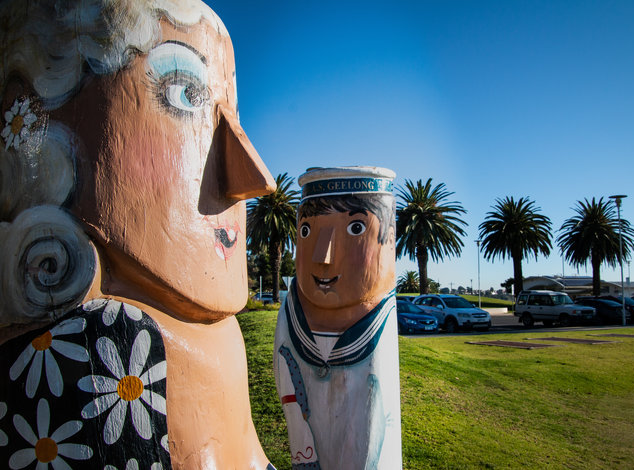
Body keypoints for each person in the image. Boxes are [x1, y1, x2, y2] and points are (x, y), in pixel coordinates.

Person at [0, 1, 276, 468]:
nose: (254, 175)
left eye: (233, 114)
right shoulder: (95, 339)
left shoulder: (223, 339)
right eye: (185, 93)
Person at [274, 167, 402, 470]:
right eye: (306, 231)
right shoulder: (290, 316)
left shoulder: (381, 322)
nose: (324, 255)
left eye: (356, 229)